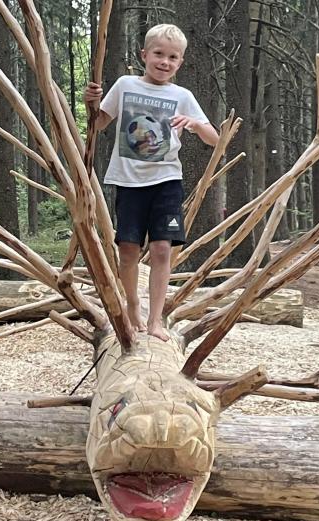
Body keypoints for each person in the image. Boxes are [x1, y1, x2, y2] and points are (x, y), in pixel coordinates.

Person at [83, 24, 220, 342]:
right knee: (128, 249)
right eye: (158, 54)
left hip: (167, 181)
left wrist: (196, 124)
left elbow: (215, 138)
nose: (165, 62)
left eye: (173, 57)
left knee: (162, 249)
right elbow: (99, 123)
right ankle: (132, 306)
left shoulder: (181, 96)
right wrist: (91, 102)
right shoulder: (125, 85)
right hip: (129, 183)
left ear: (180, 62)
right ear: (144, 55)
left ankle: (156, 320)